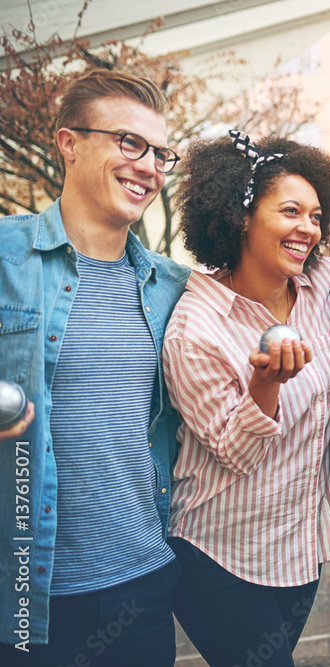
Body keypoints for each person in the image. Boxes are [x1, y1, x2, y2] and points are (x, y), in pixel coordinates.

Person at [0, 69, 191, 666]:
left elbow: (258, 289)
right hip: (26, 588)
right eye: (128, 142)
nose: (149, 166)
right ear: (69, 143)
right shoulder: (6, 254)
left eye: (161, 153)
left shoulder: (175, 288)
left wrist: (318, 267)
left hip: (144, 581)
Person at [163, 131, 330, 667]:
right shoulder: (195, 329)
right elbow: (238, 453)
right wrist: (266, 383)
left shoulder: (322, 283)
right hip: (218, 555)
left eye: (317, 217)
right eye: (292, 212)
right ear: (241, 216)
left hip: (299, 552)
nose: (308, 229)